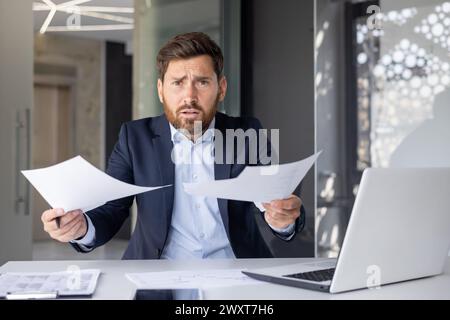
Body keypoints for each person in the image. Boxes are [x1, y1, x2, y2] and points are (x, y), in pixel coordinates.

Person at [41, 32, 305, 259]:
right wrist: (81, 229)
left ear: (221, 88)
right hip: (157, 275)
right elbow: (112, 209)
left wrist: (283, 220)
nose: (189, 96)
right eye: (177, 83)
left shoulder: (247, 133)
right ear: (161, 90)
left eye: (202, 82)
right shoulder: (135, 138)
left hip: (237, 271)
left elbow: (276, 200)